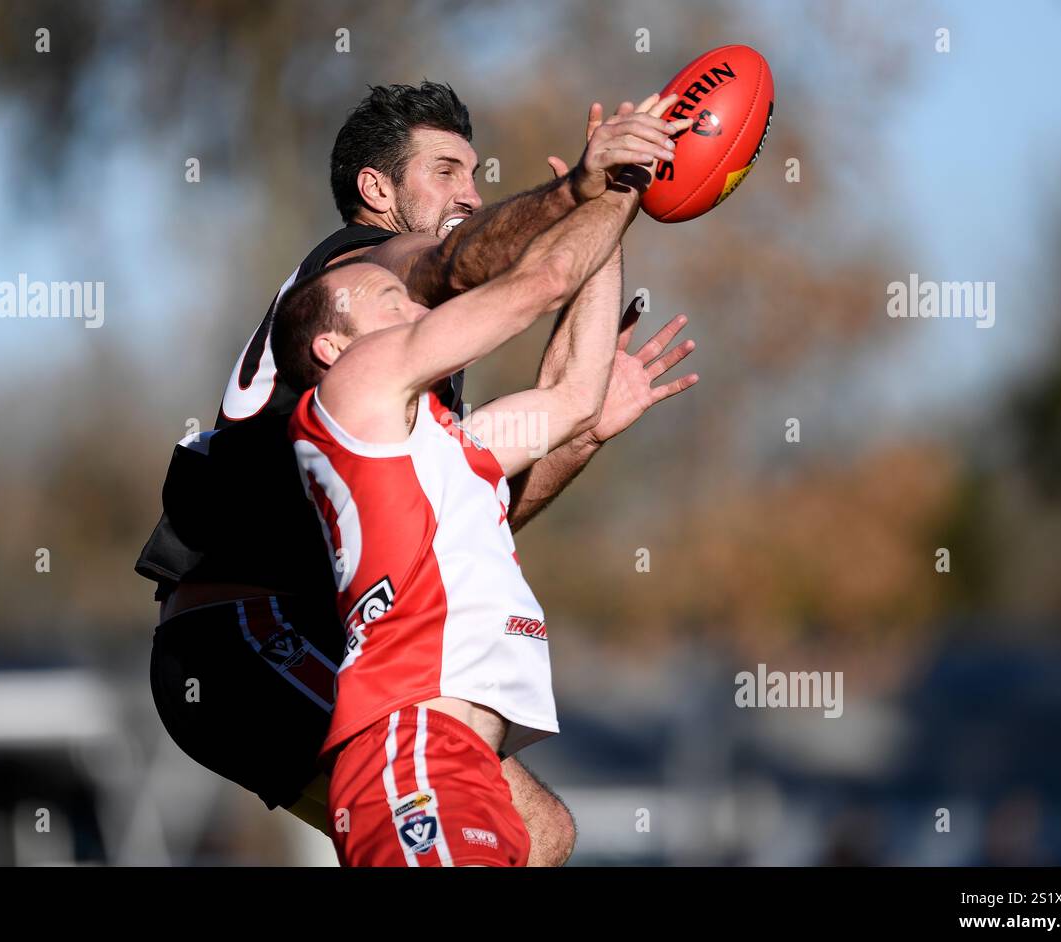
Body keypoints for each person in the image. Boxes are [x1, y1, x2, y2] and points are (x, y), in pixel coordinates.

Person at [139, 83, 697, 864]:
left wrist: (584, 426)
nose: (470, 193)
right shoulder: (366, 272)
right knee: (418, 780)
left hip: (296, 638)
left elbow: (461, 520)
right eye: (444, 171)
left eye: (475, 173)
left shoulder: (413, 408)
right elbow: (479, 269)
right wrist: (585, 190)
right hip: (245, 635)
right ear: (377, 191)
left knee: (540, 832)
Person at [279, 131, 660, 864]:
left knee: (550, 838)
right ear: (333, 346)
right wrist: (602, 193)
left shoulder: (445, 442)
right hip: (414, 750)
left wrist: (614, 219)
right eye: (392, 299)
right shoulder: (350, 388)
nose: (417, 310)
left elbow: (574, 396)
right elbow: (539, 282)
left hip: (458, 761)